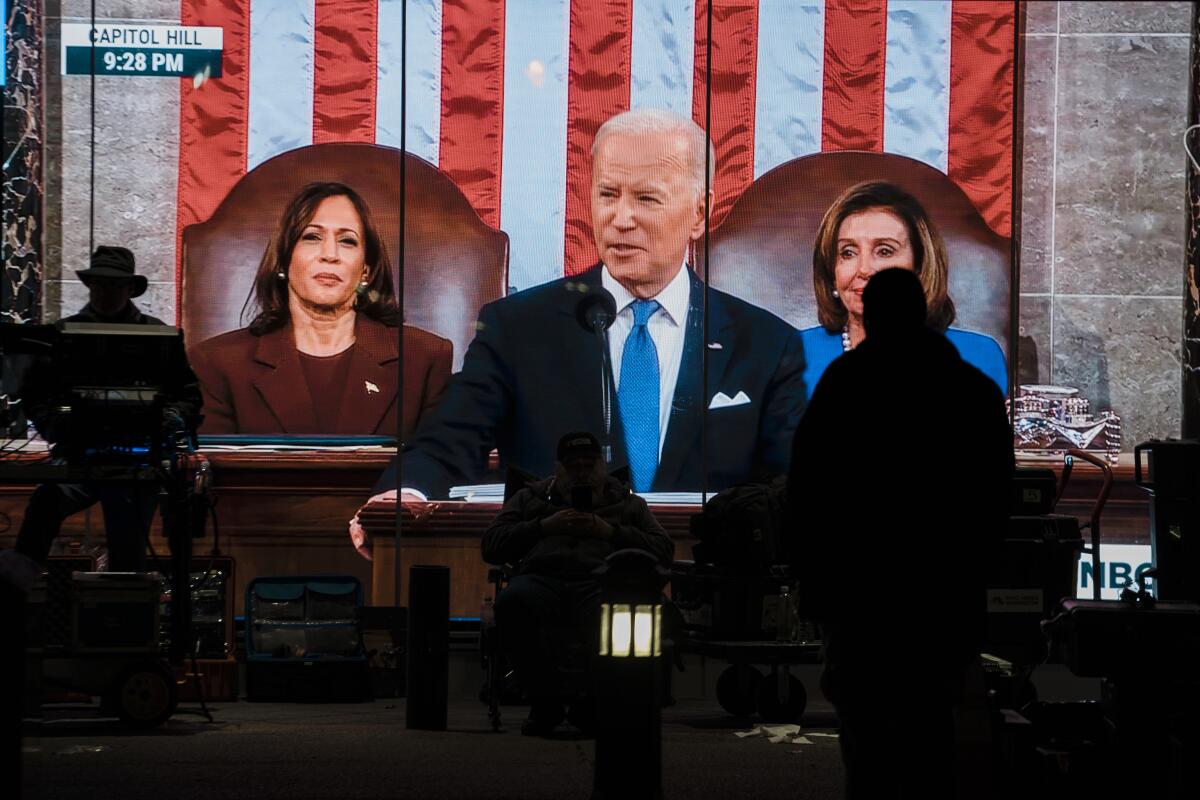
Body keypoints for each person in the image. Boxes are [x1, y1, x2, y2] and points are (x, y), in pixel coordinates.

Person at [371, 108, 807, 504]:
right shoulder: (519, 329)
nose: (620, 218)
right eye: (607, 194)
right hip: (560, 576)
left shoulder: (766, 345)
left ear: (699, 212)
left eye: (646, 199)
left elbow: (793, 483)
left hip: (707, 578)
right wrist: (403, 494)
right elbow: (447, 444)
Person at [787, 268, 1013, 799]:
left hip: (857, 590)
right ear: (922, 311)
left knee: (865, 733)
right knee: (933, 725)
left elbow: (808, 490)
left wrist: (810, 580)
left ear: (877, 314)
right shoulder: (972, 390)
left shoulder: (844, 386)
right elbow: (995, 495)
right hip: (943, 588)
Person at [188, 181, 452, 437]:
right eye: (312, 237)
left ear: (365, 271)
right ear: (283, 261)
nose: (330, 254)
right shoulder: (218, 362)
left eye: (347, 241)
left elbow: (438, 468)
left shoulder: (423, 359)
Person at [14, 246, 203, 571]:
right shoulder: (62, 335)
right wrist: (52, 423)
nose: (105, 292)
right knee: (45, 504)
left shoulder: (158, 336)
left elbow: (189, 396)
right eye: (100, 284)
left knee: (127, 556)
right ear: (90, 287)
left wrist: (169, 419)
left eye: (114, 285)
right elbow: (34, 393)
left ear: (130, 289)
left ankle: (122, 612)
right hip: (78, 454)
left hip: (138, 461)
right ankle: (18, 595)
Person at [483, 431, 673, 736]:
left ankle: (592, 702)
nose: (582, 472)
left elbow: (664, 551)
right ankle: (545, 702)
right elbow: (490, 545)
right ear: (559, 469)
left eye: (588, 464)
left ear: (601, 466)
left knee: (617, 611)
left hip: (600, 582)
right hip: (541, 579)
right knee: (512, 602)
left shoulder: (627, 503)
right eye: (573, 465)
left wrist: (609, 532)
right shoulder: (531, 497)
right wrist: (543, 527)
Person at [800, 181, 1007, 399]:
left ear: (919, 267)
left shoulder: (977, 355)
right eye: (848, 253)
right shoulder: (792, 355)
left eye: (885, 251)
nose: (864, 269)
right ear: (831, 271)